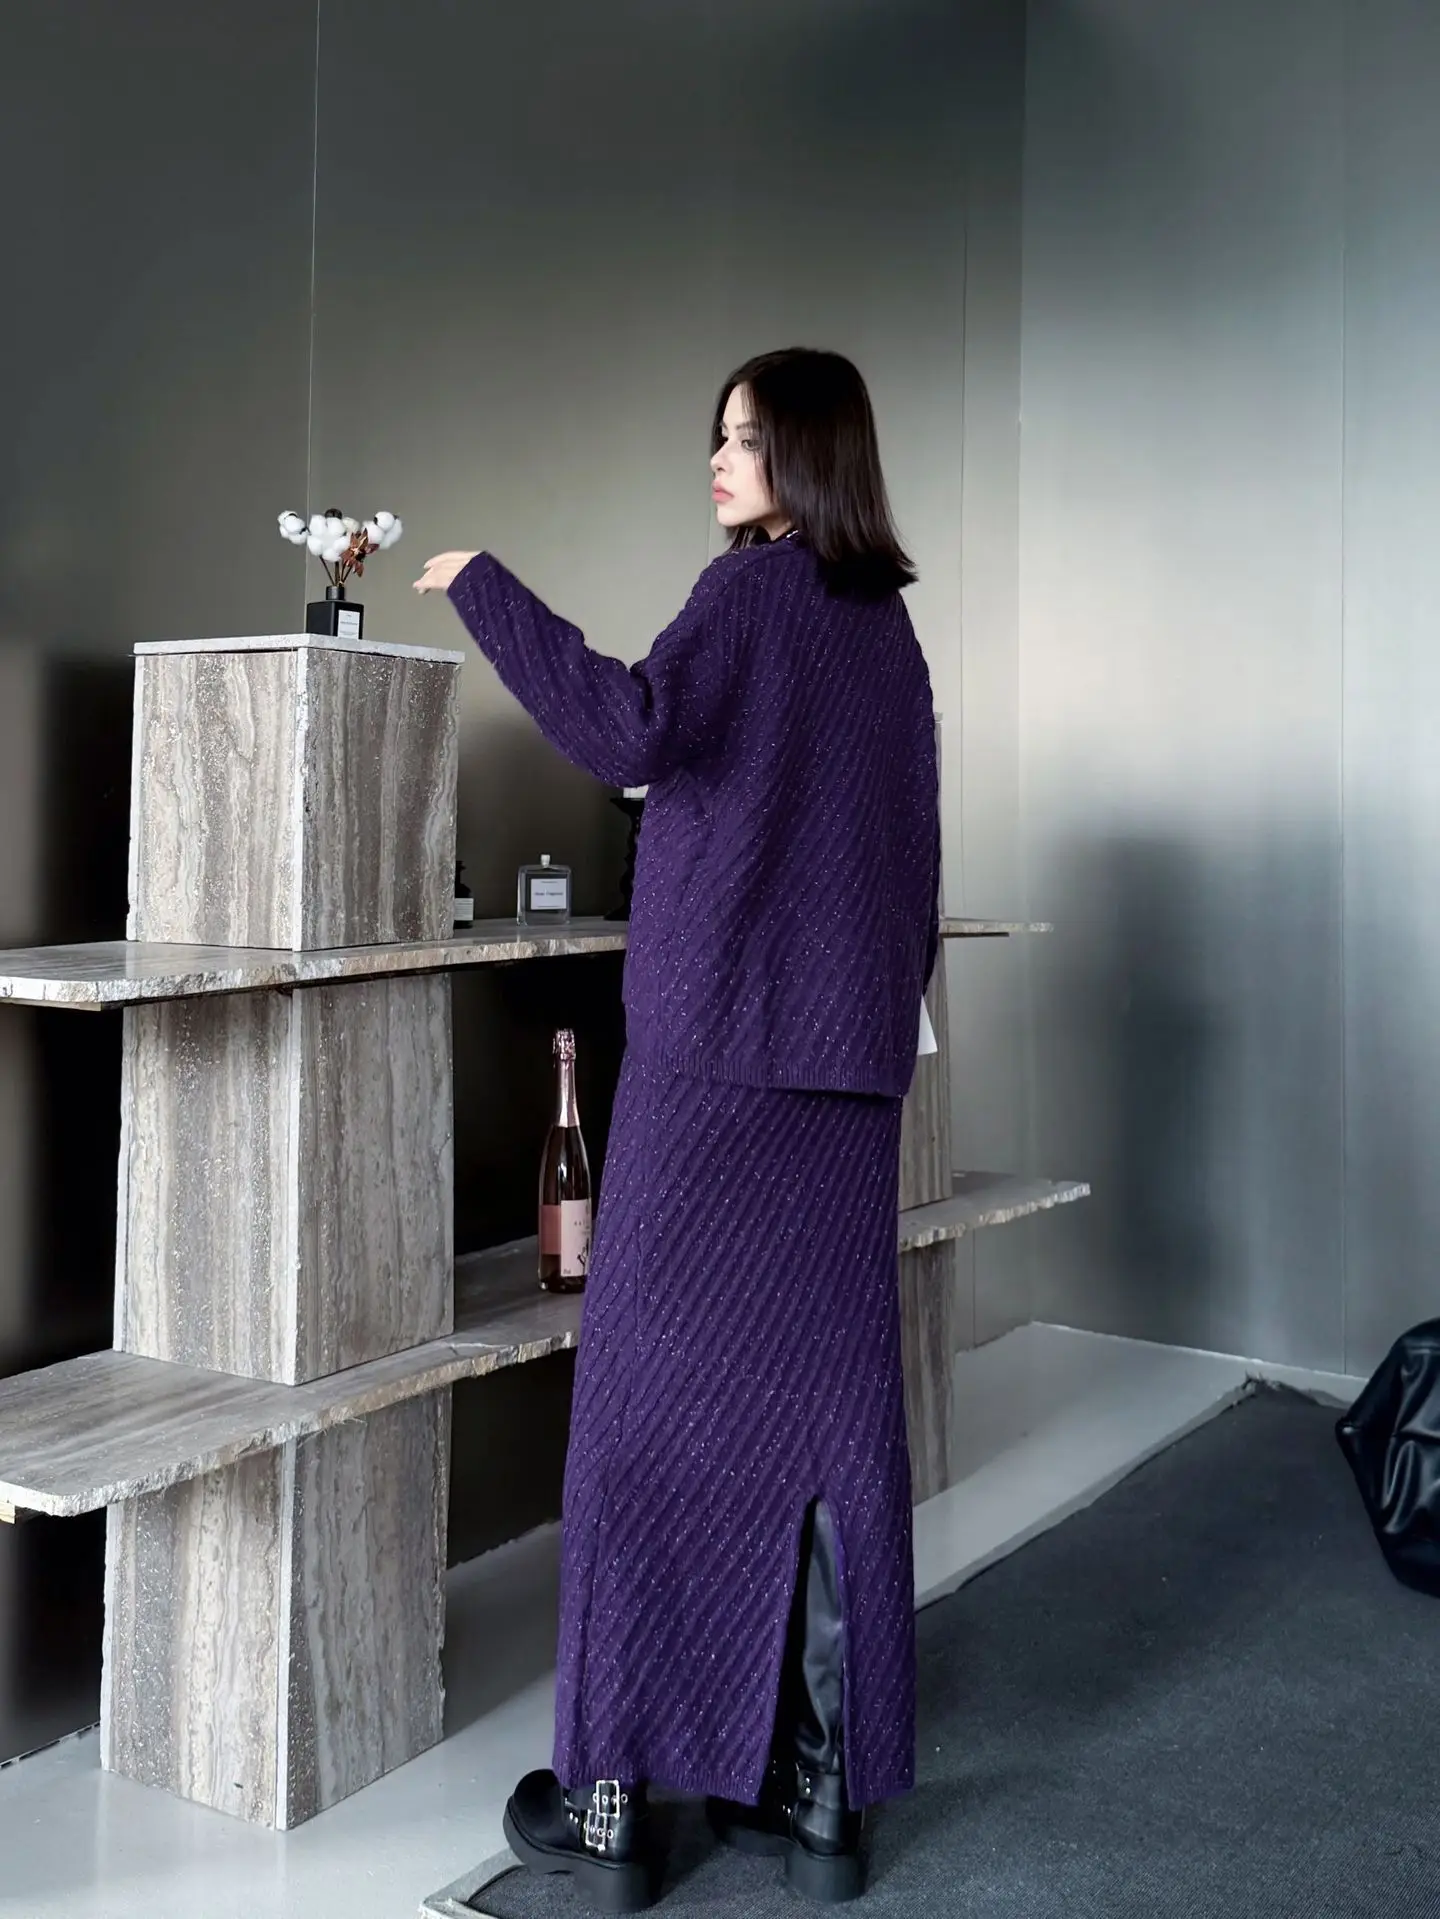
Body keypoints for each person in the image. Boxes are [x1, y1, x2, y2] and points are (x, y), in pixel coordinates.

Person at [415, 347, 941, 1910]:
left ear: (811, 455)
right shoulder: (889, 634)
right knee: (832, 1430)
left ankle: (614, 1812)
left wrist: (484, 585)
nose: (718, 458)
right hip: (846, 1085)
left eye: (747, 438)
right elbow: (912, 858)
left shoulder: (750, 596)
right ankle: (824, 1809)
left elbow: (626, 728)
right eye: (715, 435)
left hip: (715, 1078)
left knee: (640, 1419)